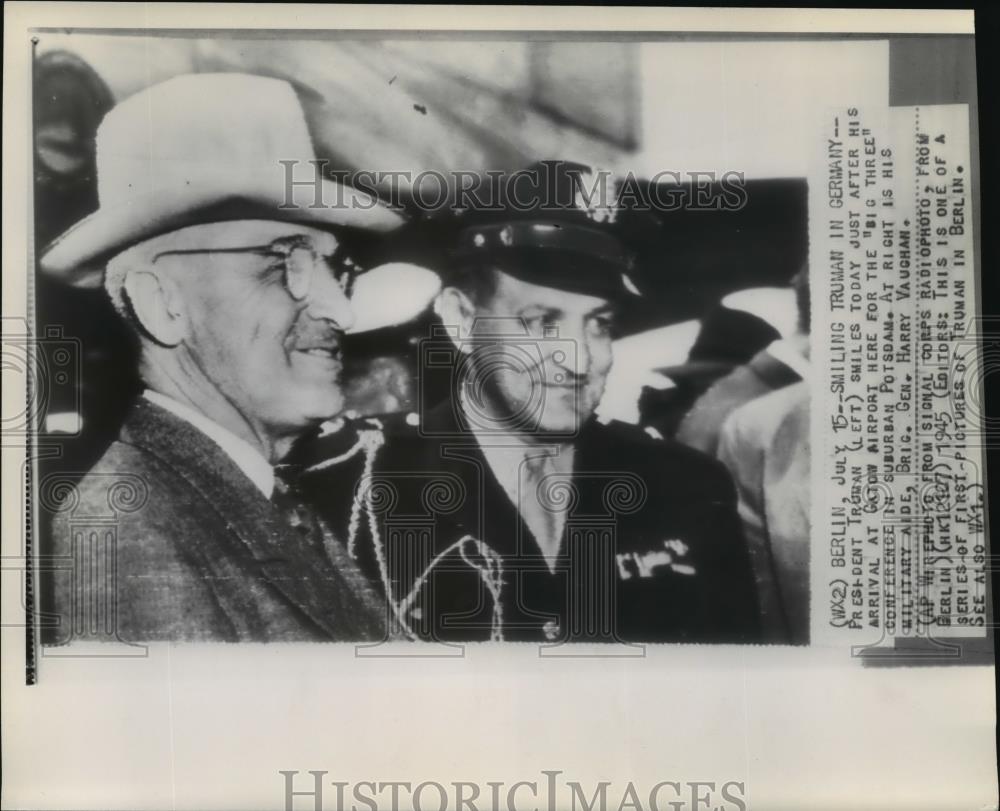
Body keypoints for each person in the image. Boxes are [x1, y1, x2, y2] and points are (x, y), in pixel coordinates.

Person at [40, 73, 438, 643]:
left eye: (334, 270)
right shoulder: (125, 528)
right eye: (284, 264)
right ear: (163, 305)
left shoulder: (255, 492)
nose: (340, 311)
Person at [302, 162, 760, 644]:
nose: (580, 359)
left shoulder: (683, 486)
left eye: (599, 324)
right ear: (461, 319)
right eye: (542, 321)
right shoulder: (357, 486)